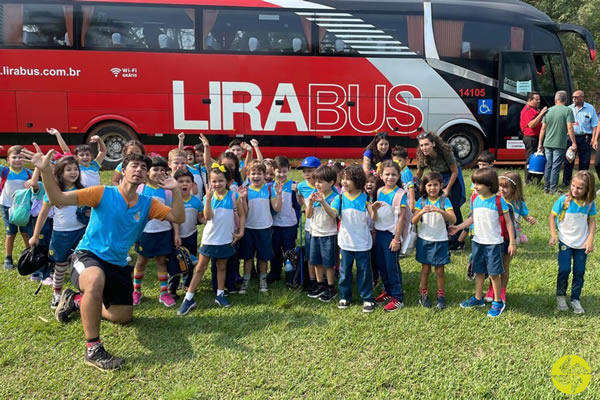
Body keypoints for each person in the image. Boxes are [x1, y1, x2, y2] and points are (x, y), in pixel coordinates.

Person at [22, 146, 184, 370]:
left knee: (123, 317)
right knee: (95, 279)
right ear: (123, 170)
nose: (139, 169)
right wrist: (46, 172)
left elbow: (178, 216)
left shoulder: (149, 204)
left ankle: (75, 300)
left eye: (143, 167)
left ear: (146, 175)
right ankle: (93, 348)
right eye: (134, 166)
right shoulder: (102, 193)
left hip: (117, 263)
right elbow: (57, 197)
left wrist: (175, 191)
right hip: (88, 255)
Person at [178, 163, 246, 314]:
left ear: (227, 182)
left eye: (220, 181)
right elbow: (207, 217)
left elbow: (241, 215)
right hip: (209, 239)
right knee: (200, 268)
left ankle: (220, 294)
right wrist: (208, 200)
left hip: (226, 239)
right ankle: (189, 298)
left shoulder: (234, 196)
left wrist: (241, 231)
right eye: (214, 181)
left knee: (222, 267)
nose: (217, 184)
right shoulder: (207, 197)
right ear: (209, 182)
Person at [452, 168, 516, 318]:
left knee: (494, 273)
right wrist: (459, 227)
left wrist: (512, 242)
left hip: (493, 243)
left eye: (479, 183)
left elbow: (508, 223)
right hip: (477, 242)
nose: (475, 186)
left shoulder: (499, 202)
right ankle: (478, 298)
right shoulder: (475, 199)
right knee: (479, 271)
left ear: (489, 184)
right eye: (474, 182)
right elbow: (473, 217)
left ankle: (497, 302)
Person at [29, 156, 86, 309]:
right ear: (60, 173)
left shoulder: (83, 190)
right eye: (69, 170)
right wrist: (35, 235)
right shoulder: (53, 192)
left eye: (76, 169)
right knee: (60, 266)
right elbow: (42, 214)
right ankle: (57, 293)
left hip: (81, 233)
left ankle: (83, 294)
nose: (73, 172)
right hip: (61, 235)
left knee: (81, 265)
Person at [483, 172, 536, 304]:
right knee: (494, 265)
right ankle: (491, 288)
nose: (501, 189)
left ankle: (502, 290)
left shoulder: (518, 203)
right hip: (495, 237)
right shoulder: (494, 200)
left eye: (505, 187)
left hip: (510, 239)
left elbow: (524, 214)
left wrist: (529, 218)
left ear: (514, 189)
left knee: (505, 265)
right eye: (500, 186)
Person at [132, 156, 177, 307]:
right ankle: (136, 291)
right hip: (144, 233)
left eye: (162, 170)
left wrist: (176, 233)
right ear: (148, 172)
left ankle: (164, 293)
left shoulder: (168, 191)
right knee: (141, 261)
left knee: (162, 261)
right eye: (155, 169)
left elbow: (174, 214)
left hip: (163, 232)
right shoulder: (140, 188)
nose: (158, 172)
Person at [549, 170, 596, 314]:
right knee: (564, 269)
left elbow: (592, 222)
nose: (575, 190)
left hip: (582, 244)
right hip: (565, 241)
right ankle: (561, 296)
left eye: (580, 188)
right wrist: (553, 234)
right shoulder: (563, 200)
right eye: (573, 186)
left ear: (588, 190)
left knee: (579, 271)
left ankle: (576, 298)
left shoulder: (589, 204)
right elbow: (552, 217)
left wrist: (590, 240)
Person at [330, 165, 376, 312]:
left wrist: (374, 210)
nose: (344, 182)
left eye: (348, 179)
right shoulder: (340, 198)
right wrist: (324, 203)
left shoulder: (365, 198)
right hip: (345, 242)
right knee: (344, 272)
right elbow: (332, 214)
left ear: (357, 180)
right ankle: (344, 297)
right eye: (343, 178)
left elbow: (374, 217)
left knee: (364, 271)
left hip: (362, 242)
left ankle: (367, 298)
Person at [412, 172, 456, 310]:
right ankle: (423, 294)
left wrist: (441, 211)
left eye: (435, 185)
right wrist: (420, 212)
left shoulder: (444, 201)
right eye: (429, 185)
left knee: (439, 270)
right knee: (425, 269)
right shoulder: (422, 201)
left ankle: (440, 296)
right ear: (424, 187)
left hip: (440, 240)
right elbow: (413, 220)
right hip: (424, 240)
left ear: (441, 186)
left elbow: (453, 219)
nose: (432, 188)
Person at [416, 132, 465, 249]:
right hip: (437, 179)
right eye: (421, 145)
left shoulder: (444, 151)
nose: (424, 148)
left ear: (433, 144)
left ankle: (458, 240)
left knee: (453, 207)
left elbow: (455, 171)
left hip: (452, 178)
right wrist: (414, 184)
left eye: (426, 144)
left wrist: (447, 189)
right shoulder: (422, 154)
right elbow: (419, 172)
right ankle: (439, 234)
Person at [238, 160, 281, 294]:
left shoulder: (269, 189)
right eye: (253, 174)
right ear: (248, 175)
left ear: (264, 175)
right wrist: (242, 199)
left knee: (263, 256)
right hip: (249, 228)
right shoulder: (246, 190)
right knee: (248, 256)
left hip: (265, 228)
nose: (256, 176)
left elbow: (277, 208)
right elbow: (244, 213)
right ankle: (246, 280)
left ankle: (263, 279)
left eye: (259, 174)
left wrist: (279, 195)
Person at [372, 160, 408, 312]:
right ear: (381, 175)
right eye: (387, 174)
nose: (390, 177)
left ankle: (397, 296)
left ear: (399, 175)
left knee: (391, 265)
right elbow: (375, 214)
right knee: (381, 264)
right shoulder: (379, 191)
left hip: (391, 234)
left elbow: (401, 218)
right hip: (379, 232)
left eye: (394, 174)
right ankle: (387, 291)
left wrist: (396, 238)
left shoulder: (400, 194)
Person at [168, 169, 205, 300]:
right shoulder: (173, 200)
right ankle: (172, 288)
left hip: (191, 235)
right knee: (176, 262)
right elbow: (175, 219)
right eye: (181, 181)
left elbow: (200, 218)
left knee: (190, 260)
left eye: (187, 181)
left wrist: (211, 221)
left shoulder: (196, 201)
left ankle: (187, 283)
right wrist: (177, 234)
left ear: (193, 184)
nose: (184, 184)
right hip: (176, 236)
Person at [306, 165, 339, 303]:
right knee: (316, 261)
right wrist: (309, 203)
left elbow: (333, 214)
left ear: (331, 183)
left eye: (321, 182)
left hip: (329, 234)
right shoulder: (314, 194)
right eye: (316, 181)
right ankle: (320, 285)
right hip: (315, 233)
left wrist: (323, 201)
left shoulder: (335, 197)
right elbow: (308, 215)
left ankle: (331, 288)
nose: (317, 184)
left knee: (328, 263)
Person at [537, 90, 576, 194]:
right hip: (559, 143)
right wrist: (574, 142)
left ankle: (546, 188)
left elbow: (543, 129)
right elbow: (570, 128)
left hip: (547, 142)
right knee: (556, 166)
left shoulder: (548, 110)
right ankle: (553, 189)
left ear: (555, 99)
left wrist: (540, 144)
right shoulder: (568, 110)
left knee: (548, 165)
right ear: (566, 100)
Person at [0, 145, 33, 269]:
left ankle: (28, 254)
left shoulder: (29, 173)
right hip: (7, 206)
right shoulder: (4, 171)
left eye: (21, 157)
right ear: (8, 159)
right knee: (10, 233)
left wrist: (33, 182)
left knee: (25, 233)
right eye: (14, 157)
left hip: (24, 208)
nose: (17, 160)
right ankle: (8, 258)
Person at [268, 156, 298, 283]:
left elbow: (297, 205)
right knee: (274, 250)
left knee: (289, 250)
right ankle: (275, 273)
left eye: (284, 171)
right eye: (278, 171)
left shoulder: (293, 186)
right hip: (274, 224)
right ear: (274, 171)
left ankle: (291, 275)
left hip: (289, 224)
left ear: (289, 170)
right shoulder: (270, 186)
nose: (281, 174)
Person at [296, 156, 321, 292]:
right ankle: (312, 280)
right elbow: (300, 201)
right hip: (309, 227)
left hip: (324, 227)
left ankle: (322, 280)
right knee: (310, 255)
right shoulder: (301, 186)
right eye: (304, 171)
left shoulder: (324, 186)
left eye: (310, 171)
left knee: (322, 255)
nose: (307, 174)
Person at [562, 90, 598, 187]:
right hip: (570, 138)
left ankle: (583, 183)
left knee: (584, 162)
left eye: (577, 97)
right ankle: (566, 182)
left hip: (585, 138)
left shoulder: (590, 108)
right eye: (573, 97)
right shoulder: (569, 108)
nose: (574, 99)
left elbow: (595, 125)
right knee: (568, 161)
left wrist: (594, 139)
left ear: (582, 97)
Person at [519, 92, 548, 183]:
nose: (538, 101)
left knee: (536, 159)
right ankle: (528, 181)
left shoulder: (535, 109)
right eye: (536, 99)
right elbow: (531, 125)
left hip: (536, 138)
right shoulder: (528, 110)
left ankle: (535, 179)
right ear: (530, 100)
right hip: (531, 138)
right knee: (530, 159)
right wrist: (541, 114)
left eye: (539, 99)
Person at [392, 146, 415, 210]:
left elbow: (411, 188)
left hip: (406, 200)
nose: (398, 163)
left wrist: (412, 203)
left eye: (400, 160)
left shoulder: (406, 172)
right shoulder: (396, 172)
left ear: (406, 159)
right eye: (395, 161)